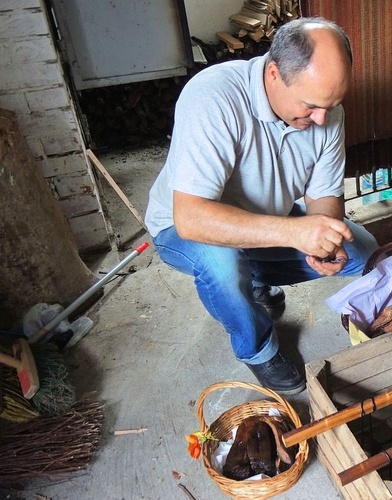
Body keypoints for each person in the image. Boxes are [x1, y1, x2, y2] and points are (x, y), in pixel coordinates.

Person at [144, 17, 379, 395]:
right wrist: (296, 232)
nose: (322, 118)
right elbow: (190, 219)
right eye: (311, 105)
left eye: (331, 105)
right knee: (222, 263)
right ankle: (257, 349)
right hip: (184, 229)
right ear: (273, 74)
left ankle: (253, 279)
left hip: (268, 223)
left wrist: (325, 239)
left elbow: (324, 198)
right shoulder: (212, 97)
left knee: (361, 252)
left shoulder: (326, 111)